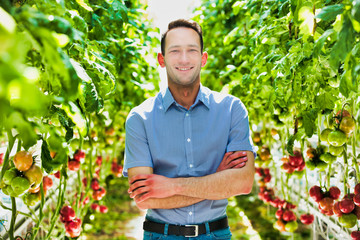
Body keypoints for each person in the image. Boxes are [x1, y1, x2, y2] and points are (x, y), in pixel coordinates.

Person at [123, 19, 255, 239]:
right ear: (161, 59)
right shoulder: (140, 118)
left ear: (203, 58)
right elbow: (145, 198)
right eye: (175, 51)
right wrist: (218, 178)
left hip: (215, 234)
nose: (184, 59)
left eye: (191, 50)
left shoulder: (232, 109)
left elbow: (243, 182)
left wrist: (172, 186)